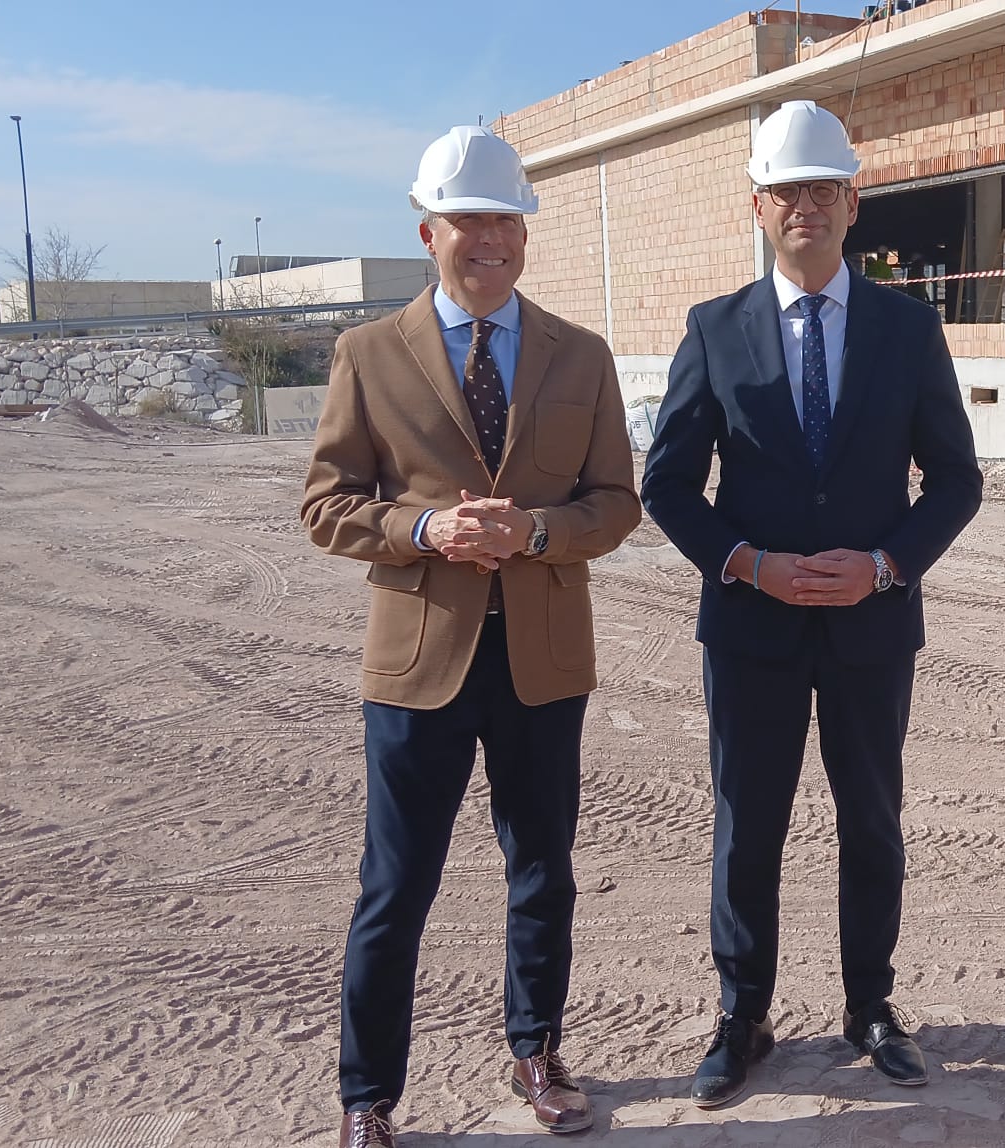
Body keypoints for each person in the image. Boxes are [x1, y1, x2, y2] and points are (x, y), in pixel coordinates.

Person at [301, 125, 641, 1147]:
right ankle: (370, 1096)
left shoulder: (580, 354)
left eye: (505, 219)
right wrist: (421, 528)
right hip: (417, 667)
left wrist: (537, 529)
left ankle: (537, 1047)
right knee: (394, 885)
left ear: (524, 234)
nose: (487, 238)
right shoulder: (368, 354)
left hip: (544, 659)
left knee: (543, 867)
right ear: (428, 230)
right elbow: (326, 502)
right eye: (467, 221)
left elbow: (617, 502)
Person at [640, 100, 983, 1108]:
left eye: (823, 189)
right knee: (748, 825)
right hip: (752, 629)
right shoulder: (714, 330)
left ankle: (870, 1006)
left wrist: (886, 563)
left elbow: (955, 480)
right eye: (786, 190)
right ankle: (742, 1015)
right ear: (759, 205)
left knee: (872, 818)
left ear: (853, 202)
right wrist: (747, 562)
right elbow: (667, 486)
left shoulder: (910, 329)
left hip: (871, 626)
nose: (806, 206)